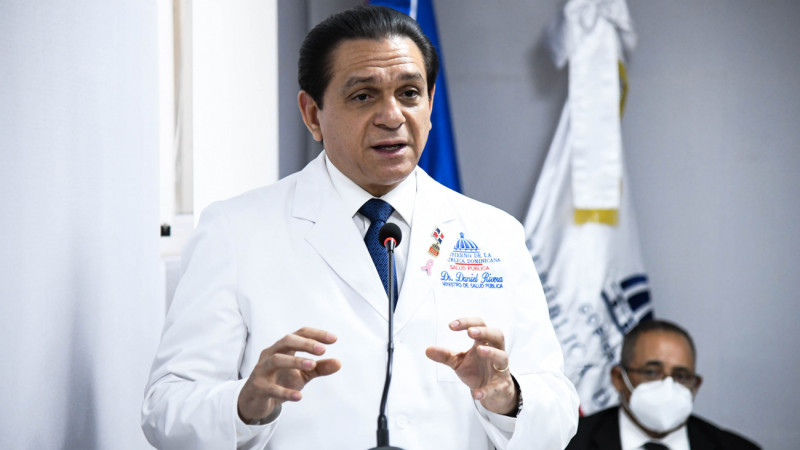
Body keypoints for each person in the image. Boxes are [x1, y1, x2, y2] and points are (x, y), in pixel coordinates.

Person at [141, 5, 578, 449]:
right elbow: (165, 410)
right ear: (312, 114)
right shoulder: (234, 231)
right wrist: (245, 404)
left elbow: (559, 411)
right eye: (364, 96)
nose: (392, 116)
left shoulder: (495, 234)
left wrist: (505, 395)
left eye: (409, 93)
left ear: (430, 105)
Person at [565, 319, 760, 450]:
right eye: (651, 372)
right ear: (618, 379)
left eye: (681, 376)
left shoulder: (736, 448)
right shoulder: (567, 445)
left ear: (696, 385)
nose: (668, 385)